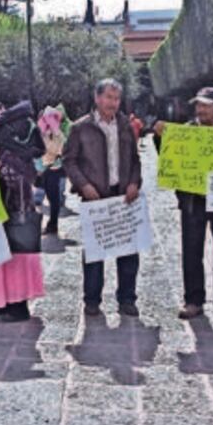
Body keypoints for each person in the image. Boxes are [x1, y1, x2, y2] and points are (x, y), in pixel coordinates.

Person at [155, 87, 213, 325]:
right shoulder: (186, 131)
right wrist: (159, 138)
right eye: (198, 105)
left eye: (206, 105)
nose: (201, 109)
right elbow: (169, 160)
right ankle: (193, 300)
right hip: (192, 199)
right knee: (191, 250)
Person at [63, 78, 142, 318]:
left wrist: (134, 182)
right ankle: (92, 300)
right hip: (95, 199)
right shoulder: (80, 127)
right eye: (108, 97)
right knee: (94, 255)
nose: (112, 103)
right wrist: (83, 184)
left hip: (123, 198)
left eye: (116, 98)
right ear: (97, 98)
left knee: (128, 252)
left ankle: (127, 299)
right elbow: (69, 160)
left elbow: (135, 159)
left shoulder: (126, 125)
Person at [0, 101, 46, 322]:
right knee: (11, 256)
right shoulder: (27, 134)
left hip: (11, 209)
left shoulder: (6, 144)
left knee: (12, 257)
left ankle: (17, 306)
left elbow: (14, 182)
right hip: (16, 208)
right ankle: (5, 302)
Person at [37, 106, 67, 236]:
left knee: (53, 199)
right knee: (48, 198)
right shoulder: (44, 132)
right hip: (44, 169)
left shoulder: (57, 134)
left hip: (52, 169)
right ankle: (50, 224)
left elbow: (57, 151)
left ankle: (52, 225)